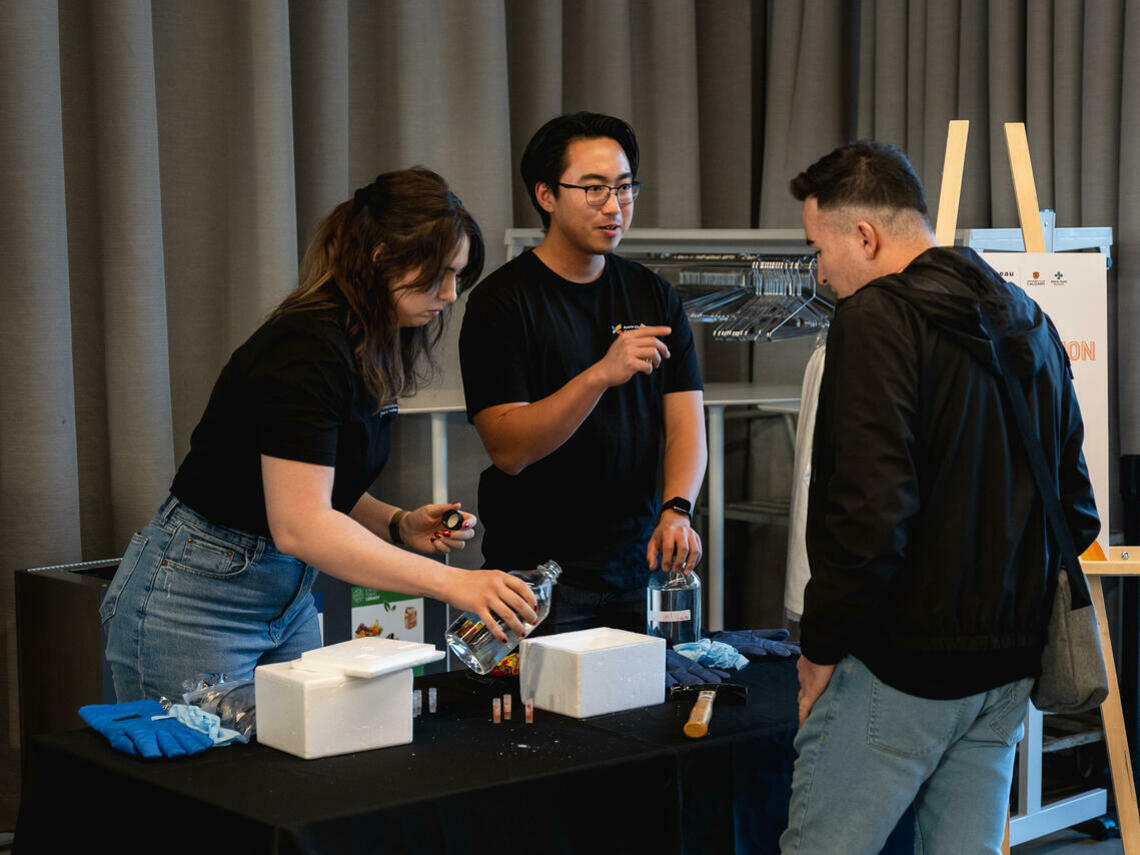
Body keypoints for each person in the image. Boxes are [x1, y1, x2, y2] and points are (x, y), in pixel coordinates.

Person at [103, 168, 537, 702]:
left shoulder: (365, 345)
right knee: (198, 776)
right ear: (382, 258)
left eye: (458, 276)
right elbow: (303, 526)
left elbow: (318, 482)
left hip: (286, 599)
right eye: (439, 275)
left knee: (301, 770)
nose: (450, 294)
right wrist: (456, 582)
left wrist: (396, 524)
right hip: (197, 598)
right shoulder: (306, 348)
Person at [779, 141, 1100, 853]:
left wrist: (819, 652)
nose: (821, 272)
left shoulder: (873, 320)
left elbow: (868, 517)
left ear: (864, 235)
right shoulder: (1029, 318)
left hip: (900, 667)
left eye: (817, 249)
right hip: (1008, 669)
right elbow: (1077, 509)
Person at [458, 112, 707, 634]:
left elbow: (686, 422)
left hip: (637, 565)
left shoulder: (652, 294)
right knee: (541, 716)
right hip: (538, 577)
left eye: (624, 188)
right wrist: (599, 375)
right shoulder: (502, 302)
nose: (614, 207)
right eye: (594, 190)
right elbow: (508, 449)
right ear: (546, 195)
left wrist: (677, 510)